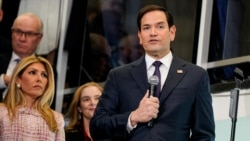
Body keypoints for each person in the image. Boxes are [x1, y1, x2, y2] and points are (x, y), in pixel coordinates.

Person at [90, 4, 215, 141]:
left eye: (160, 26)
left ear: (172, 32)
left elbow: (204, 135)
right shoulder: (119, 76)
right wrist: (133, 117)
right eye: (146, 28)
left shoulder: (195, 76)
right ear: (140, 36)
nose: (153, 33)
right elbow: (97, 127)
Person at [0, 12, 57, 109]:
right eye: (18, 32)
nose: (22, 38)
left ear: (39, 38)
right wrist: (3, 81)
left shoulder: (46, 69)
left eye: (29, 34)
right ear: (12, 33)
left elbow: (48, 105)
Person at [0, 56, 65, 140]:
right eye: (32, 72)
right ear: (18, 80)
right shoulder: (2, 113)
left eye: (44, 75)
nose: (39, 79)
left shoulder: (56, 119)